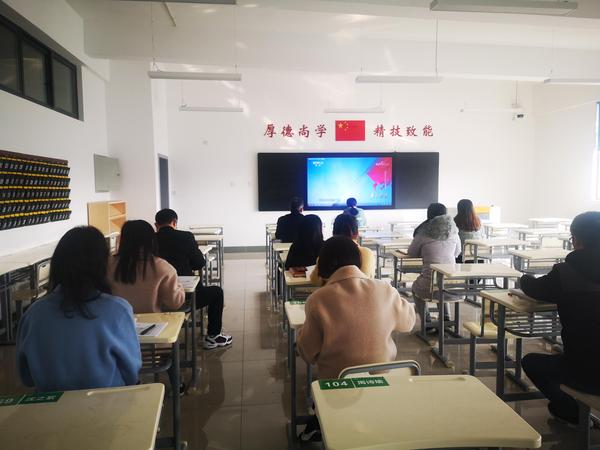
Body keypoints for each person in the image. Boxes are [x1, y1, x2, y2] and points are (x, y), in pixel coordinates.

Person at [297, 235, 415, 441]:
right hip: (384, 381)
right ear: (358, 260)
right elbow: (408, 323)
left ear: (323, 264)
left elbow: (308, 353)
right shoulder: (386, 289)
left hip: (338, 389)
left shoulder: (318, 299)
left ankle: (319, 425)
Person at [16, 226, 141, 392]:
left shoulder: (33, 314)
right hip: (107, 404)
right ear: (103, 264)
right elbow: (132, 373)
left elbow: (26, 377)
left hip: (51, 405)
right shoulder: (118, 310)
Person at [520, 211, 600, 425]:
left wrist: (524, 277)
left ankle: (570, 411)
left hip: (586, 372)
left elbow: (534, 288)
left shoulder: (567, 273)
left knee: (531, 362)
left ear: (576, 240)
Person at [155, 209, 232, 350]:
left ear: (156, 225)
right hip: (185, 296)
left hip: (155, 299)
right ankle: (213, 336)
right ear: (174, 222)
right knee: (217, 292)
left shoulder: (150, 240)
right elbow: (199, 263)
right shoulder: (185, 237)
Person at [108, 220, 185, 313]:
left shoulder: (108, 264)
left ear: (122, 240)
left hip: (117, 320)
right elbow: (175, 303)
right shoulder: (162, 267)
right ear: (152, 239)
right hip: (152, 320)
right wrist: (179, 286)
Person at [408, 203, 461, 325]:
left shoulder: (423, 232)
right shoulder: (454, 232)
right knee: (443, 282)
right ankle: (446, 317)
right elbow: (457, 253)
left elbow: (411, 253)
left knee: (415, 287)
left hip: (429, 285)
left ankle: (426, 322)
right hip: (454, 285)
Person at [310, 213, 375, 285]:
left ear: (333, 233)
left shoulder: (327, 250)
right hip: (360, 291)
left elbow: (315, 280)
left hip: (331, 291)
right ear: (357, 234)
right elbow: (368, 280)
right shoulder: (366, 253)